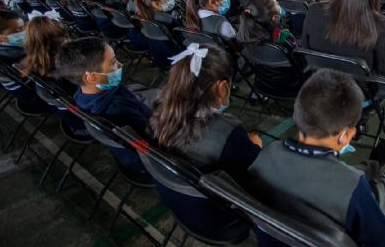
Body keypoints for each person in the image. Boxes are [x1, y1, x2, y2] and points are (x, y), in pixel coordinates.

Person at [248, 68, 385, 247]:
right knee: (379, 194)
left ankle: (374, 164)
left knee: (353, 182)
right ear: (345, 135)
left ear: (296, 115)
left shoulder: (267, 155)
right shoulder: (351, 186)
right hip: (346, 202)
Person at [148, 43, 260, 243]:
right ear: (222, 87)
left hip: (180, 205)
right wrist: (254, 146)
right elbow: (253, 172)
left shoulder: (159, 111)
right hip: (220, 219)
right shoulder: (227, 132)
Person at [55, 37, 151, 171]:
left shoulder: (81, 93)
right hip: (145, 160)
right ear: (92, 77)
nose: (120, 64)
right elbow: (152, 139)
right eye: (112, 63)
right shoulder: (118, 109)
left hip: (127, 154)